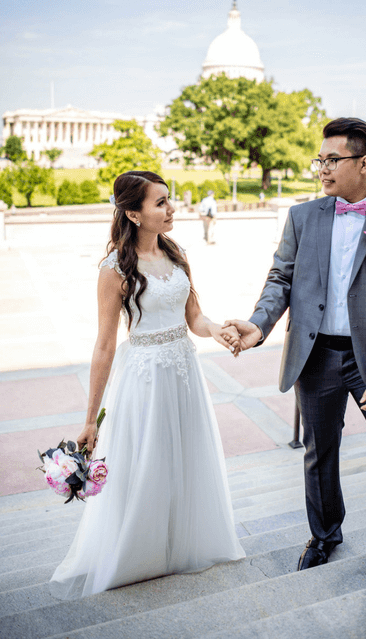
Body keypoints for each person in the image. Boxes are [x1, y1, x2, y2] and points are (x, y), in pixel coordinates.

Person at [225, 117, 366, 582]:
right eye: (320, 159)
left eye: (332, 159)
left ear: (364, 162)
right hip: (314, 357)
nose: (322, 168)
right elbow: (281, 279)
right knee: (320, 453)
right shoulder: (301, 216)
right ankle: (324, 534)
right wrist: (258, 325)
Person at [49, 171, 245, 600]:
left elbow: (195, 317)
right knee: (147, 462)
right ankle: (141, 555)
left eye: (169, 200)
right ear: (134, 213)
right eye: (160, 203)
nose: (170, 208)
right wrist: (90, 420)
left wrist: (219, 330)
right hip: (143, 379)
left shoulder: (178, 253)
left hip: (184, 374)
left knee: (184, 456)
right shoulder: (114, 269)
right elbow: (104, 346)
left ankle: (180, 545)